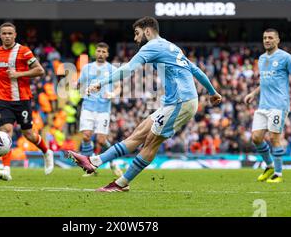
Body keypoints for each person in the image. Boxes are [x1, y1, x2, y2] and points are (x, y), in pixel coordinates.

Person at [68, 17, 222, 191]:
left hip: (181, 101)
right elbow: (195, 70)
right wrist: (212, 91)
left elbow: (128, 69)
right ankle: (94, 161)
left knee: (151, 142)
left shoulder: (152, 46)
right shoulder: (171, 46)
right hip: (175, 102)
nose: (135, 38)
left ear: (147, 31)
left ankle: (120, 184)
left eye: (137, 33)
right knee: (140, 133)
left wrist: (100, 83)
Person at [0, 22, 54, 181]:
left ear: (15, 35)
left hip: (22, 99)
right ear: (0, 35)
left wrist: (18, 74)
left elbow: (40, 71)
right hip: (3, 98)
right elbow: (0, 68)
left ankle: (46, 152)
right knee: (5, 131)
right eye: (4, 33)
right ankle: (6, 170)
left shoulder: (24, 51)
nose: (7, 36)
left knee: (28, 134)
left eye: (10, 33)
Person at [244, 29, 291, 183]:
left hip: (278, 105)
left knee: (274, 138)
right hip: (263, 105)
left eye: (270, 38)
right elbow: (265, 81)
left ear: (278, 40)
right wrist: (253, 93)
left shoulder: (285, 57)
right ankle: (269, 165)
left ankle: (278, 174)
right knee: (256, 138)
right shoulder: (262, 59)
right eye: (264, 38)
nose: (267, 40)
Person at [77, 42, 122, 177]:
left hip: (103, 108)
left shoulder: (112, 69)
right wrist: (81, 88)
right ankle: (90, 167)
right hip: (88, 106)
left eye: (103, 52)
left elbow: (118, 87)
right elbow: (79, 84)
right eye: (99, 51)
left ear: (107, 54)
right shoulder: (87, 68)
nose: (101, 54)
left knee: (101, 141)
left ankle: (113, 163)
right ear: (95, 52)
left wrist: (112, 94)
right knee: (86, 136)